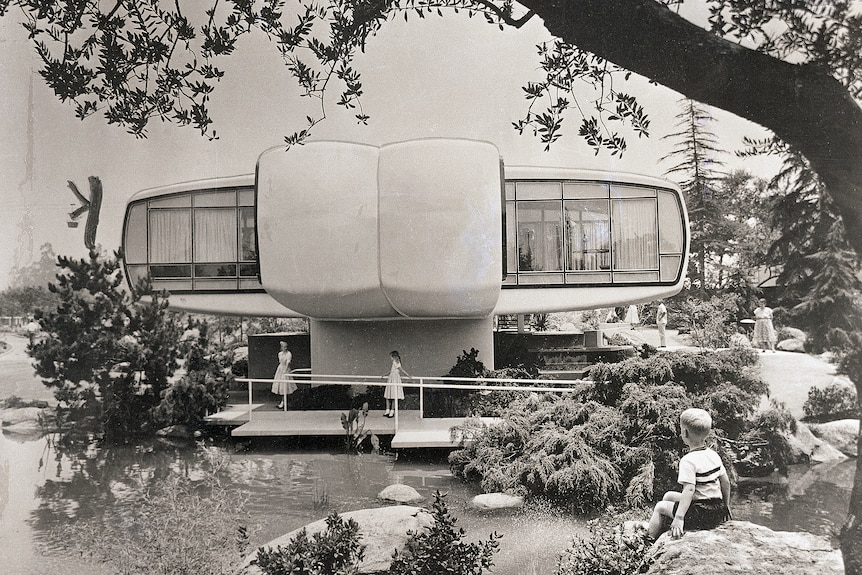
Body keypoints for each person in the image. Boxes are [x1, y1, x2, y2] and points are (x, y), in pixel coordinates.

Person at [647, 408, 732, 540]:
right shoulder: (713, 454)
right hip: (717, 510)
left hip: (701, 514)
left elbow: (689, 489)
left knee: (660, 506)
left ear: (684, 433)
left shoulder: (688, 460)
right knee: (669, 496)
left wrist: (680, 517)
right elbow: (725, 482)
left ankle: (649, 539)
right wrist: (725, 507)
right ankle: (666, 525)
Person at [382, 350, 410, 418]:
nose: (390, 358)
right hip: (391, 378)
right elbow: (391, 370)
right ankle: (388, 410)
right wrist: (385, 374)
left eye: (391, 356)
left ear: (393, 356)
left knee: (393, 395)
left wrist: (408, 375)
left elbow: (401, 369)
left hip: (395, 379)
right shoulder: (394, 363)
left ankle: (391, 411)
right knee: (389, 394)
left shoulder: (396, 362)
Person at [271, 341, 297, 409]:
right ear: (281, 348)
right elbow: (280, 362)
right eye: (283, 347)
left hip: (286, 369)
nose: (285, 348)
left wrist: (285, 371)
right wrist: (281, 370)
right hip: (280, 369)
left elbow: (288, 362)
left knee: (286, 386)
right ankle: (282, 402)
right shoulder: (280, 354)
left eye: (286, 347)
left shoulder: (288, 354)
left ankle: (284, 402)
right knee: (280, 386)